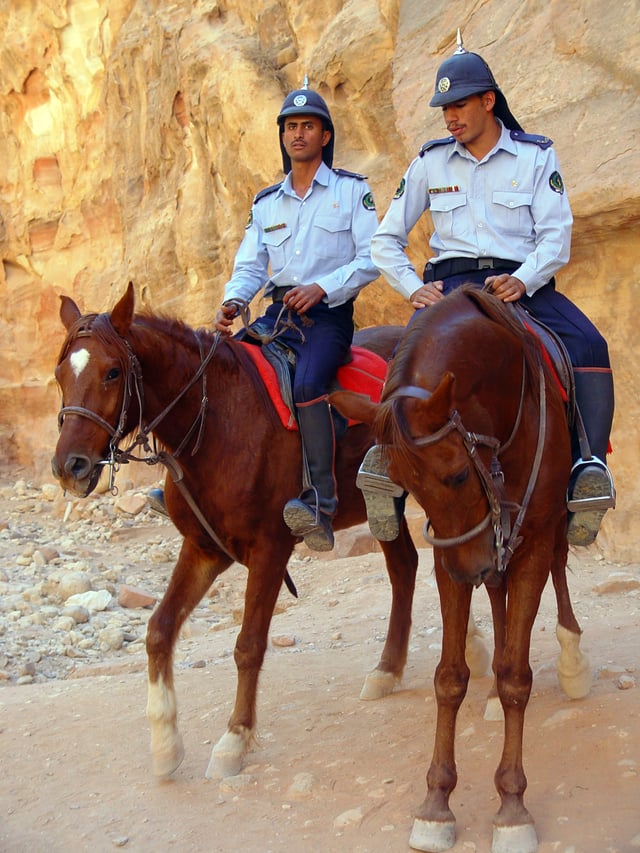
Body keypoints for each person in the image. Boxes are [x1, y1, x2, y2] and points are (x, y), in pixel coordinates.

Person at [358, 32, 615, 548]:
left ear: (488, 101)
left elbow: (555, 234)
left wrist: (525, 278)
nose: (450, 117)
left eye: (458, 105)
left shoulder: (535, 156)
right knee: (407, 361)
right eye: (444, 108)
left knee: (589, 346)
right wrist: (412, 288)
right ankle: (387, 464)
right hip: (450, 287)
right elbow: (384, 240)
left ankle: (589, 467)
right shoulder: (430, 161)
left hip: (519, 284)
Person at [151, 83, 378, 553]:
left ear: (325, 135)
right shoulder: (266, 202)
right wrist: (234, 300)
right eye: (291, 127)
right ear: (283, 136)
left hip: (328, 317)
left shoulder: (351, 191)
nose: (298, 134)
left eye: (308, 127)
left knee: (309, 384)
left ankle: (321, 500)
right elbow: (251, 265)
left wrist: (323, 287)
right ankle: (186, 483)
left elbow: (371, 257)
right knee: (219, 375)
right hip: (277, 315)